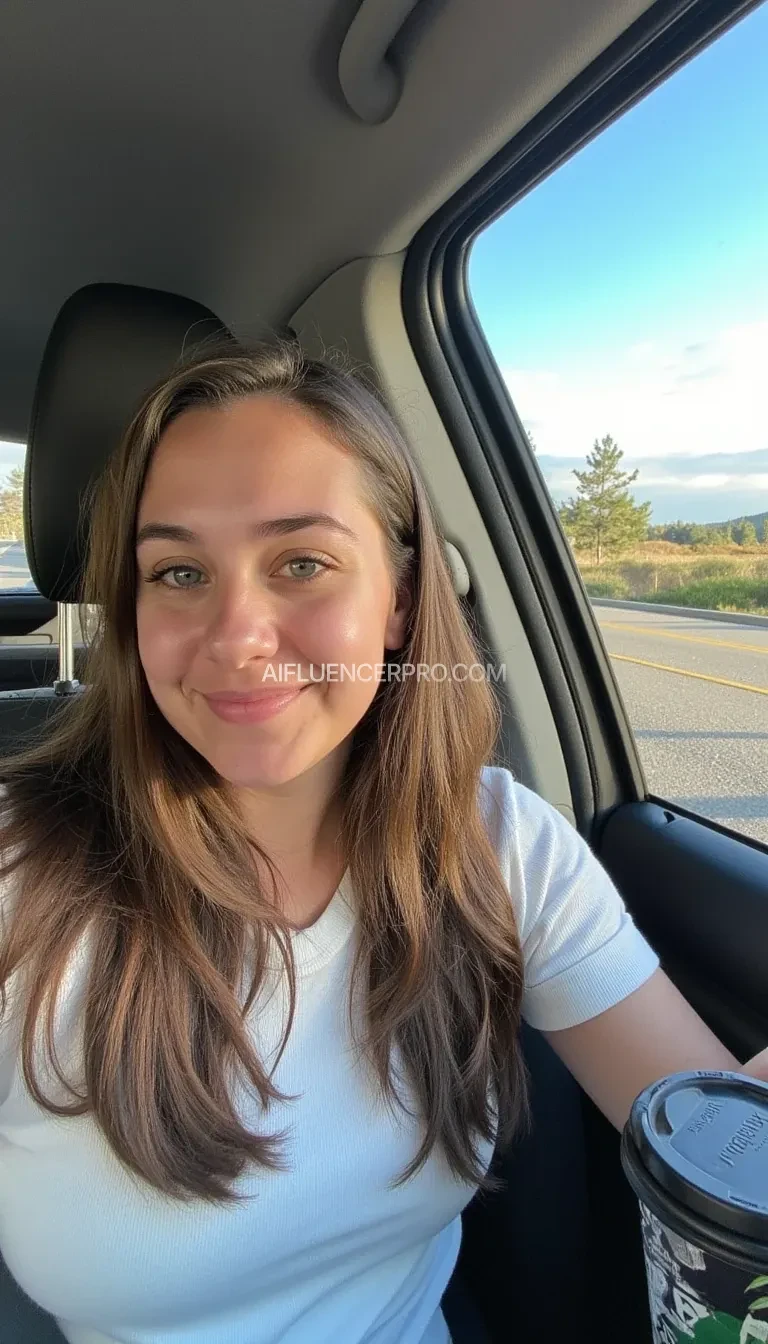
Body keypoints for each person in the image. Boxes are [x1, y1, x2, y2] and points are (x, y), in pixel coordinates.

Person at [0, 341, 765, 1344]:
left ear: (399, 603)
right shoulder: (24, 875)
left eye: (302, 563)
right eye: (178, 571)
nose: (236, 635)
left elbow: (717, 1145)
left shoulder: (499, 846)